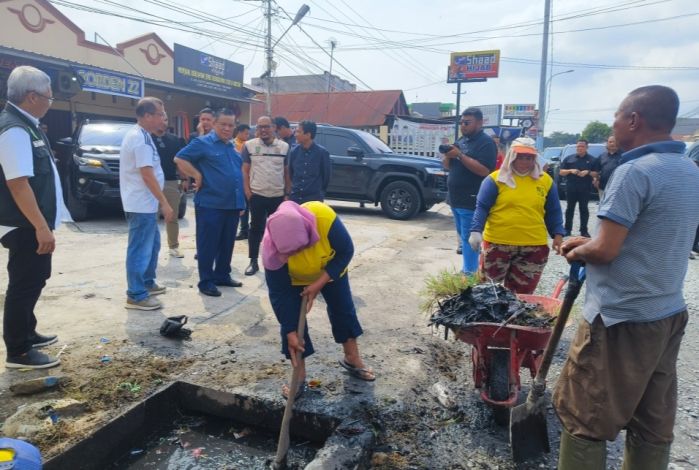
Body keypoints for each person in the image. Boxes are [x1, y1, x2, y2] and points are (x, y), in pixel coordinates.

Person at [554, 85, 699, 469]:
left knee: (584, 415)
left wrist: (576, 248)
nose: (613, 126)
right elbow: (646, 234)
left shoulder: (633, 171)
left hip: (619, 320)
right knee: (652, 422)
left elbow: (605, 251)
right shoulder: (688, 169)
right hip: (667, 314)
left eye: (618, 116)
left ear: (634, 120)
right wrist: (594, 241)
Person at [263, 201, 375, 398]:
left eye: (300, 248)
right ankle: (299, 376)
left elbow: (345, 251)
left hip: (330, 268)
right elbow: (279, 294)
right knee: (292, 325)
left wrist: (318, 284)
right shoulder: (271, 250)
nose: (297, 254)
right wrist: (289, 330)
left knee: (343, 309)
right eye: (290, 253)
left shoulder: (323, 218)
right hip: (292, 280)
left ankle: (352, 358)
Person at [0, 66, 71, 369]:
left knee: (35, 278)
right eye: (48, 98)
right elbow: (18, 183)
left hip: (31, 222)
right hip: (25, 223)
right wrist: (41, 227)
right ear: (31, 97)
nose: (49, 103)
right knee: (25, 283)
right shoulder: (14, 129)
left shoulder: (26, 125)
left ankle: (27, 331)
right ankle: (19, 351)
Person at [469, 137, 564, 294]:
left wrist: (558, 234)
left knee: (522, 295)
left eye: (529, 157)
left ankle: (514, 319)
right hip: (498, 244)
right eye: (520, 157)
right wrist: (475, 231)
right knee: (488, 292)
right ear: (511, 156)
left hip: (533, 247)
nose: (524, 161)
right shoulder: (495, 179)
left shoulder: (545, 181)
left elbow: (553, 210)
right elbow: (482, 208)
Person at [175, 109, 246, 297]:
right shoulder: (202, 143)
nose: (227, 128)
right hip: (210, 204)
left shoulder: (231, 146)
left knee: (227, 243)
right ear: (214, 124)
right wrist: (196, 174)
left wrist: (241, 202)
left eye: (231, 125)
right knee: (208, 244)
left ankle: (222, 275)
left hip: (232, 204)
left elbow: (237, 176)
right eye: (223, 124)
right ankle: (206, 281)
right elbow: (179, 158)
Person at [119, 97, 174, 310]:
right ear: (148, 116)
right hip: (141, 204)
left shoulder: (144, 135)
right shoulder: (139, 138)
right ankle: (136, 294)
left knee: (152, 245)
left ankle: (147, 283)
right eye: (160, 114)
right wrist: (165, 203)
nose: (163, 119)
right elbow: (147, 175)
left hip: (145, 203)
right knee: (140, 249)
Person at [442, 107, 498, 275]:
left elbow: (484, 170)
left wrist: (460, 155)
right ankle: (469, 269)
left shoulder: (486, 143)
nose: (463, 126)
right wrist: (448, 155)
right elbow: (447, 166)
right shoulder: (461, 140)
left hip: (471, 199)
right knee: (464, 238)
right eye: (461, 123)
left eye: (467, 123)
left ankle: (470, 274)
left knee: (470, 238)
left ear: (480, 123)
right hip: (455, 199)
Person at [241, 116, 290, 276]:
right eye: (260, 127)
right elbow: (245, 170)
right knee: (255, 228)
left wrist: (287, 194)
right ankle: (253, 261)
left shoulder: (284, 147)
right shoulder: (249, 146)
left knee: (278, 230)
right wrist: (247, 191)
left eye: (267, 126)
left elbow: (286, 172)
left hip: (277, 195)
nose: (263, 130)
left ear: (274, 127)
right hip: (257, 194)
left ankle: (277, 262)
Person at [151, 115, 187, 258]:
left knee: (172, 215)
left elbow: (179, 162)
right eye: (161, 119)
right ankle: (150, 246)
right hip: (151, 182)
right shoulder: (146, 139)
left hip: (170, 181)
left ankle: (173, 246)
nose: (163, 123)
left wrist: (184, 178)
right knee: (151, 216)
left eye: (166, 120)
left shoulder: (175, 140)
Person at [559, 139, 598, 237]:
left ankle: (584, 230)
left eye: (582, 146)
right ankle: (567, 229)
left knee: (584, 209)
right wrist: (570, 170)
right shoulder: (569, 158)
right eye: (578, 146)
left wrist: (588, 172)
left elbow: (596, 173)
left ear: (586, 147)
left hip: (585, 188)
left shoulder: (592, 159)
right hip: (571, 187)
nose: (579, 148)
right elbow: (561, 172)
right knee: (569, 209)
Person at [287, 120, 331, 204]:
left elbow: (326, 177)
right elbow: (291, 173)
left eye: (298, 132)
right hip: (296, 198)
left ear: (308, 135)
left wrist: (320, 194)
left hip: (313, 199)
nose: (295, 135)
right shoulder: (294, 152)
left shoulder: (322, 153)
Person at [234, 123, 251, 241]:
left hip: (250, 179)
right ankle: (243, 230)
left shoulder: (249, 145)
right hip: (237, 180)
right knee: (242, 206)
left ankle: (252, 229)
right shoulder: (232, 144)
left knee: (252, 206)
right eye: (246, 133)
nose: (247, 135)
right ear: (239, 132)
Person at [593, 134, 622, 200]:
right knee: (603, 207)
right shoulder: (602, 156)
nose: (612, 144)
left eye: (614, 141)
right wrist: (595, 179)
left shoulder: (624, 155)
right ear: (607, 143)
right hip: (603, 187)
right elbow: (596, 170)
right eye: (610, 142)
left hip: (618, 188)